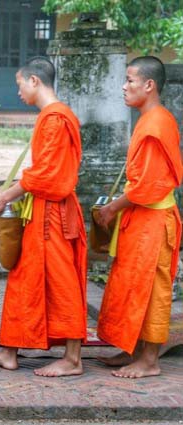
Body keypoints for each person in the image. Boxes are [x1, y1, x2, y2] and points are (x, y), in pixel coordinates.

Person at [0, 57, 87, 377]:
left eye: (20, 84)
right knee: (24, 280)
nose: (19, 91)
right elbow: (40, 171)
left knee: (63, 284)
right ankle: (9, 351)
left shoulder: (56, 118)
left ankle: (73, 358)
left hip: (55, 214)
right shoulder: (50, 117)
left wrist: (5, 196)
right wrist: (6, 191)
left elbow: (49, 175)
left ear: (35, 81)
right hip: (41, 212)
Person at [95, 56, 183, 379]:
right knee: (131, 286)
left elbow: (149, 185)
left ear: (149, 85)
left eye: (130, 80)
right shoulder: (149, 119)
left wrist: (112, 207)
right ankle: (132, 349)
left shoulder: (158, 123)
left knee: (153, 290)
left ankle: (150, 360)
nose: (124, 86)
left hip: (154, 223)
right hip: (141, 222)